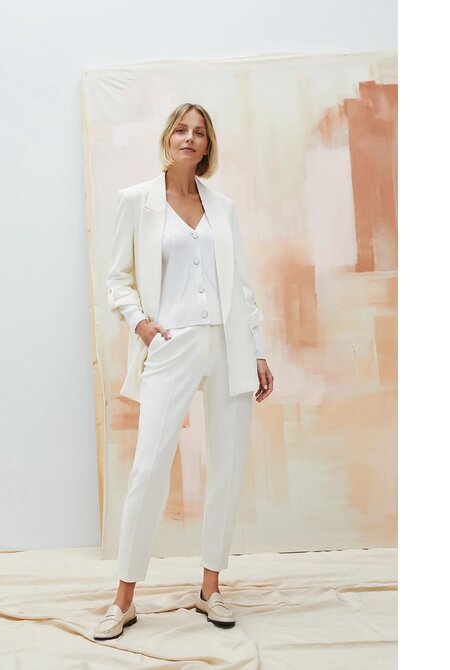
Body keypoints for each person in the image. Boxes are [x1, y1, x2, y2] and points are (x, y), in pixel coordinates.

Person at [94, 103, 274, 641]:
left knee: (227, 466)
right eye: (181, 130)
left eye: (199, 132)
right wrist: (142, 326)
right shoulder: (137, 201)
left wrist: (257, 349)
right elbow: (118, 278)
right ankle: (123, 600)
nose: (189, 138)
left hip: (228, 343)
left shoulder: (223, 207)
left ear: (207, 145)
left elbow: (241, 284)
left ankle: (210, 589)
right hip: (170, 344)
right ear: (168, 138)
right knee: (149, 468)